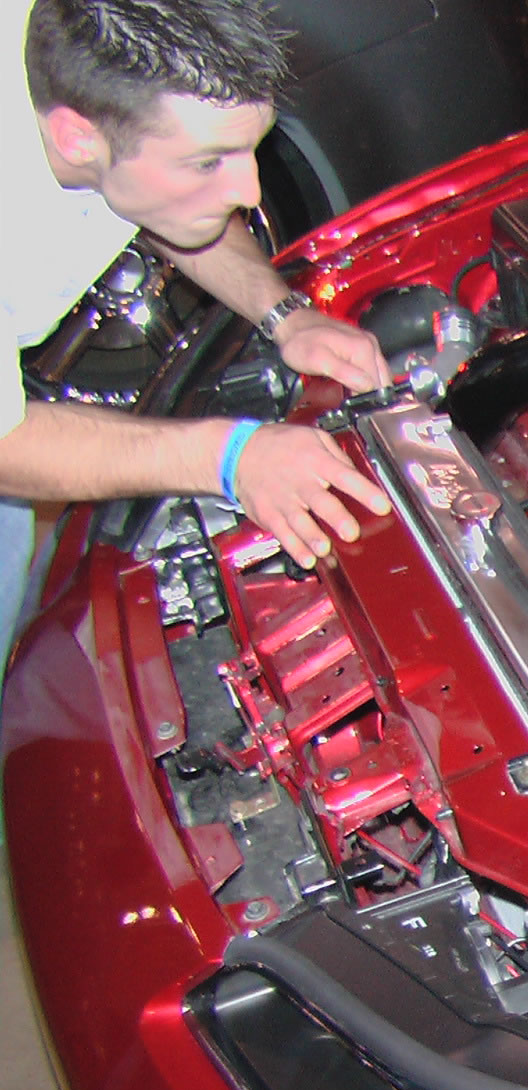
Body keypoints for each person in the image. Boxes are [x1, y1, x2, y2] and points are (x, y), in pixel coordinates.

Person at [0, 0, 393, 661]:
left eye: (249, 149)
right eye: (209, 162)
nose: (251, 191)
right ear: (76, 139)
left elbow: (172, 210)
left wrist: (283, 313)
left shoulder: (93, 59)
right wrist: (231, 457)